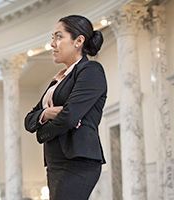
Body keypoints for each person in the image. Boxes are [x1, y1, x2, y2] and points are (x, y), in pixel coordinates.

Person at [24, 15, 107, 200]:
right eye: (52, 37)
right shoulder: (59, 78)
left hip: (78, 160)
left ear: (78, 41)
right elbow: (29, 120)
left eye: (59, 37)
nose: (52, 44)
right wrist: (45, 113)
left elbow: (69, 117)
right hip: (55, 160)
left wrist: (41, 133)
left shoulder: (91, 70)